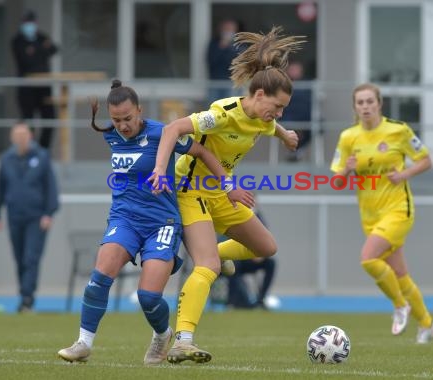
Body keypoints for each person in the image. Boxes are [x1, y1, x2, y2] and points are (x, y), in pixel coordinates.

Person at [149, 26, 304, 363]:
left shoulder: (263, 120)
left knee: (266, 247)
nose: (278, 114)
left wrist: (285, 135)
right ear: (260, 95)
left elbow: (267, 126)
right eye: (277, 107)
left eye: (283, 110)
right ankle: (183, 340)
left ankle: (220, 256)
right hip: (189, 192)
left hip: (220, 192)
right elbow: (173, 129)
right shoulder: (221, 113)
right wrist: (160, 170)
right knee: (205, 265)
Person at [57, 80, 234, 365]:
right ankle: (83, 343)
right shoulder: (112, 136)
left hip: (162, 222)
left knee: (148, 297)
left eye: (127, 118)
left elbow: (201, 153)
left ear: (139, 110)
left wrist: (227, 185)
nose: (122, 125)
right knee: (100, 276)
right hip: (124, 218)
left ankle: (162, 335)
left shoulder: (161, 134)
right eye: (116, 120)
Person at [330, 83, 433, 344]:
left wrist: (404, 174)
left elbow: (425, 159)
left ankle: (400, 306)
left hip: (398, 210)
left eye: (370, 101)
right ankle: (427, 324)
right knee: (400, 275)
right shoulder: (348, 137)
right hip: (369, 216)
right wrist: (346, 169)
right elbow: (336, 182)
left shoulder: (398, 131)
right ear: (355, 108)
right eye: (360, 103)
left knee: (368, 259)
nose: (366, 106)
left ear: (380, 104)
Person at [0, 122, 59, 312]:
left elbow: (51, 188)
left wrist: (49, 213)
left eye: (24, 134)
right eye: (17, 135)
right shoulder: (7, 159)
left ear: (30, 136)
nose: (20, 138)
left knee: (31, 257)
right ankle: (24, 294)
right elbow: (0, 188)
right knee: (19, 257)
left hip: (36, 217)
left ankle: (27, 298)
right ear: (12, 138)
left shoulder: (41, 157)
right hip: (14, 216)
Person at [11, 10, 58, 149]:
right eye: (27, 23)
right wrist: (41, 49)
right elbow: (25, 60)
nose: (29, 26)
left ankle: (43, 151)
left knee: (50, 120)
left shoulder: (41, 37)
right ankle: (29, 150)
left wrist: (35, 50)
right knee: (28, 122)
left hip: (43, 87)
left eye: (31, 22)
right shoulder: (17, 41)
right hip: (26, 88)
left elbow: (54, 49)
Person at [280, 61, 312, 162]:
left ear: (301, 71)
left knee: (316, 126)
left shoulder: (308, 86)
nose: (294, 72)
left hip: (306, 117)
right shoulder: (282, 86)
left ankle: (296, 150)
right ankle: (294, 151)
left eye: (296, 70)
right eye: (292, 69)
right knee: (289, 129)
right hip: (287, 117)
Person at [206, 19, 241, 104]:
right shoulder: (214, 43)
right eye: (226, 29)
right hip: (214, 83)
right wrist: (221, 47)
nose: (228, 32)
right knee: (213, 110)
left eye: (230, 29)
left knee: (229, 109)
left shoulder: (239, 44)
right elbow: (211, 61)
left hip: (231, 83)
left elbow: (237, 62)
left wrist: (228, 47)